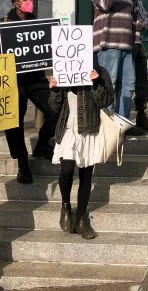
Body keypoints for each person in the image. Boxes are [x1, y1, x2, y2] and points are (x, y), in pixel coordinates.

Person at [0, 0, 59, 184]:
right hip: (13, 82)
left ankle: (42, 144)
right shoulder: (1, 24)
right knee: (15, 123)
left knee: (58, 108)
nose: (30, 1)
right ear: (16, 4)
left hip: (36, 79)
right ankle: (22, 164)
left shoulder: (36, 23)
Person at [48, 60, 114, 239]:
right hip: (68, 129)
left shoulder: (100, 71)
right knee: (67, 169)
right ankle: (66, 205)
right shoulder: (63, 70)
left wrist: (96, 83)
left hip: (89, 130)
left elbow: (107, 101)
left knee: (86, 174)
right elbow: (54, 106)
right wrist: (54, 89)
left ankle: (82, 218)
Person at [92, 0, 139, 120]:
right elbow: (105, 3)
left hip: (127, 46)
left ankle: (122, 123)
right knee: (109, 84)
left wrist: (137, 41)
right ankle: (107, 124)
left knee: (128, 86)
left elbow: (136, 19)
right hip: (107, 45)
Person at [124, 0, 148, 131]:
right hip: (125, 44)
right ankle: (123, 119)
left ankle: (141, 114)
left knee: (143, 82)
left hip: (139, 43)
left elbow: (144, 20)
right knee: (126, 83)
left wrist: (138, 25)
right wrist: (137, 25)